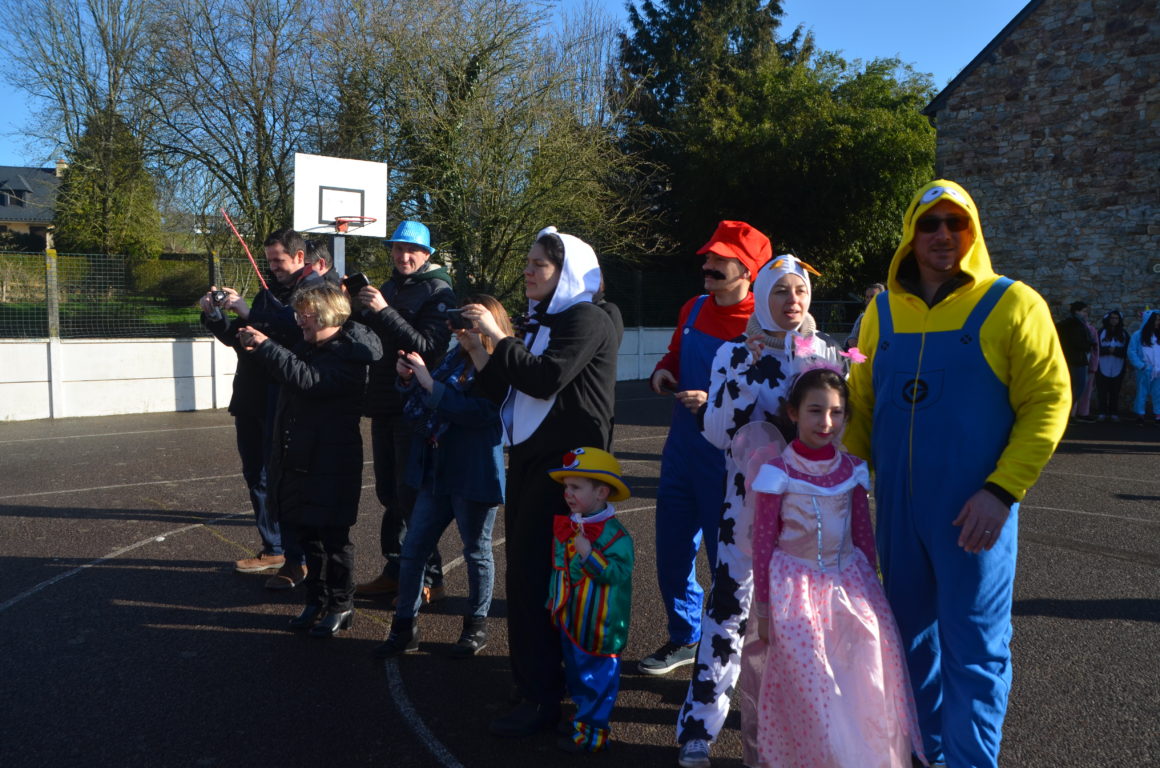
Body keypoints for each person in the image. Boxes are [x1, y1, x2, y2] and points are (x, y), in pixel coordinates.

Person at [845, 180, 1070, 768]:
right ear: (909, 235)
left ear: (973, 231)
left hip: (976, 512)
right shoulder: (880, 313)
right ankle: (925, 753)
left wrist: (1002, 490)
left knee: (975, 649)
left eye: (955, 222)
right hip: (897, 513)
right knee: (906, 641)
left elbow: (1049, 401)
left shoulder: (1015, 303)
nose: (942, 234)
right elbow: (860, 403)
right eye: (929, 224)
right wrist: (837, 487)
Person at [675, 253, 843, 768]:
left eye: (800, 290)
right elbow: (717, 432)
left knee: (803, 618)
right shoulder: (732, 352)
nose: (793, 300)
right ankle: (700, 727)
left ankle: (797, 730)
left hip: (807, 513)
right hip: (744, 510)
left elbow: (838, 429)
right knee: (730, 608)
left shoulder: (827, 353)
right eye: (781, 291)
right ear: (763, 296)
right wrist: (742, 377)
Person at [458, 226, 618, 738]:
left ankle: (542, 697)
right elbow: (511, 391)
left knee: (536, 580)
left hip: (565, 469)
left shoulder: (586, 318)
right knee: (532, 578)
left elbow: (546, 379)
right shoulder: (545, 320)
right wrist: (479, 352)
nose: (528, 270)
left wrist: (500, 336)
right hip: (536, 460)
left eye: (539, 264)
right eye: (527, 262)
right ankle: (537, 683)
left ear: (566, 272)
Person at [750, 367, 924, 767]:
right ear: (793, 413)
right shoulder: (777, 473)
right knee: (813, 685)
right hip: (796, 589)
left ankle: (864, 756)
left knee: (863, 673)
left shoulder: (853, 469)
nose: (826, 422)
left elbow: (862, 534)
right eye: (815, 411)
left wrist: (873, 587)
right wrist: (763, 610)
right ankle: (820, 757)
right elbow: (763, 544)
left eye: (836, 412)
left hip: (850, 583)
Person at [641, 220, 768, 677]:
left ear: (747, 271)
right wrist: (663, 369)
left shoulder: (763, 324)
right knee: (671, 555)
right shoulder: (693, 307)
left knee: (727, 565)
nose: (708, 266)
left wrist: (715, 403)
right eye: (709, 257)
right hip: (681, 451)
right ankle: (685, 636)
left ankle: (731, 654)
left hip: (730, 461)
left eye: (720, 260)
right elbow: (676, 353)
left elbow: (771, 400)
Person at [236, 283, 382, 636]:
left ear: (328, 315)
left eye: (307, 314)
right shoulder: (308, 346)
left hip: (333, 459)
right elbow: (286, 369)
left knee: (334, 540)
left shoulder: (351, 354)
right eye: (300, 313)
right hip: (301, 455)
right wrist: (249, 340)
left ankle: (341, 605)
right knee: (308, 537)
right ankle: (316, 601)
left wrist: (268, 347)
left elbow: (310, 381)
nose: (300, 320)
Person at [373, 295, 513, 659]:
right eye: (459, 320)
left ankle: (476, 625)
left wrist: (429, 385)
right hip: (436, 469)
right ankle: (404, 626)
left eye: (471, 321)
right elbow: (424, 401)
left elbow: (483, 413)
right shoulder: (454, 357)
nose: (461, 329)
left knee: (477, 551)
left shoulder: (500, 365)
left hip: (473, 470)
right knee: (414, 548)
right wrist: (411, 379)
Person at [202, 228, 323, 589]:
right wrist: (215, 315)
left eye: (278, 260)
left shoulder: (316, 288)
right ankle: (274, 547)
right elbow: (240, 337)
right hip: (252, 394)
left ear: (299, 257)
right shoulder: (269, 291)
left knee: (283, 477)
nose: (272, 267)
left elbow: (298, 332)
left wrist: (249, 311)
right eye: (269, 261)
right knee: (256, 474)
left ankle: (297, 555)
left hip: (284, 397)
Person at [354, 221, 456, 602]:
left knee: (411, 495)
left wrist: (383, 311)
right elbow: (374, 332)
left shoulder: (439, 291)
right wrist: (357, 307)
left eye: (411, 250)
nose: (403, 256)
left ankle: (430, 578)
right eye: (398, 248)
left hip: (414, 407)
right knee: (389, 493)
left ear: (427, 254)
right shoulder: (390, 286)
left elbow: (428, 347)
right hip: (384, 400)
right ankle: (397, 570)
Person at [545, 447, 634, 754]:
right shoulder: (573, 523)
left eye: (575, 487)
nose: (567, 493)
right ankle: (582, 719)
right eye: (566, 487)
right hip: (573, 616)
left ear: (601, 492)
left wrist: (588, 555)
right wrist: (555, 598)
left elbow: (617, 574)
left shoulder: (616, 536)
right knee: (576, 671)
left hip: (600, 624)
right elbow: (560, 566)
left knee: (597, 676)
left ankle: (593, 734)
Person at [1055, 301, 1095, 418]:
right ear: (1077, 312)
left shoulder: (1066, 324)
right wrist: (1089, 344)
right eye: (1084, 311)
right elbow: (1077, 343)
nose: (1086, 314)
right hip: (1077, 360)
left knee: (1071, 386)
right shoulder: (1076, 326)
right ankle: (1066, 411)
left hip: (1069, 359)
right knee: (1079, 387)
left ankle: (1065, 412)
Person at [1127, 309, 1160, 424]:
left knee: (1158, 393)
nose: (1158, 322)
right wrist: (1141, 366)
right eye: (1156, 320)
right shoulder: (1138, 335)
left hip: (1158, 370)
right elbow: (1132, 351)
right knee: (1142, 393)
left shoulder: (1158, 335)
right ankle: (1140, 414)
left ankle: (1158, 414)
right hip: (1144, 369)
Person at [1095, 310, 1128, 420]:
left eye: (1116, 318)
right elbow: (1096, 348)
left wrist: (1115, 351)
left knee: (1115, 391)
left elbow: (1127, 350)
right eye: (1112, 318)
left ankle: (1114, 412)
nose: (1114, 320)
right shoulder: (1101, 332)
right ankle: (1102, 412)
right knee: (1102, 391)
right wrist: (1108, 350)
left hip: (1118, 365)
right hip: (1102, 365)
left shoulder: (1124, 334)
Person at [846, 282, 885, 349]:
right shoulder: (862, 317)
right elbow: (852, 337)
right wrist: (850, 340)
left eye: (872, 296)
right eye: (867, 297)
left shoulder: (889, 317)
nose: (869, 300)